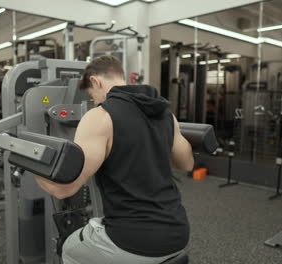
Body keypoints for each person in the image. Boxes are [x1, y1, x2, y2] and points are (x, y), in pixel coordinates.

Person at [34, 55, 194, 264]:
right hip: (178, 232)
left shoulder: (100, 116)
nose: (94, 102)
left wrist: (30, 162)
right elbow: (186, 163)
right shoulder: (165, 115)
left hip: (134, 240)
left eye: (92, 96)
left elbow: (64, 189)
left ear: (96, 82)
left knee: (70, 248)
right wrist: (154, 144)